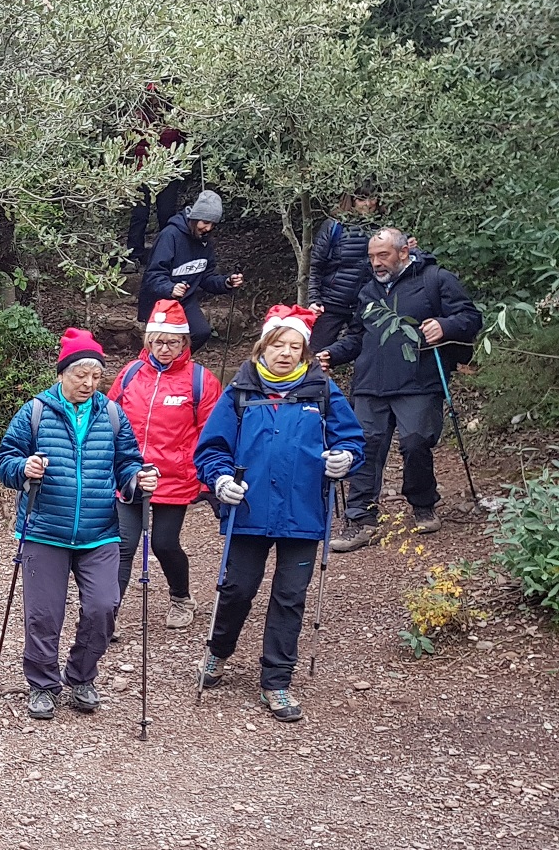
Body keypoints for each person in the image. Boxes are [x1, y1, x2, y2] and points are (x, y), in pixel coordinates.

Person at [193, 306, 365, 722]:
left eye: (294, 346)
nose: (285, 353)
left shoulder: (322, 391)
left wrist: (344, 458)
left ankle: (276, 681)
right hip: (249, 510)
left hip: (303, 513)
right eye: (278, 345)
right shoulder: (240, 391)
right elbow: (211, 449)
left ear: (304, 352)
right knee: (237, 589)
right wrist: (220, 479)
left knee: (290, 597)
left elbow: (351, 440)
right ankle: (219, 651)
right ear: (263, 348)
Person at [0, 328, 157, 720]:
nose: (88, 382)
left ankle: (81, 676)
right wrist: (24, 467)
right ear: (62, 373)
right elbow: (5, 461)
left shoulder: (112, 414)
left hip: (99, 531)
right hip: (44, 529)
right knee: (43, 614)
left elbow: (127, 463)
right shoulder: (34, 412)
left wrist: (138, 479)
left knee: (104, 607)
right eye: (80, 374)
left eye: (96, 375)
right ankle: (43, 684)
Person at [320, 227, 482, 550]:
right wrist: (332, 354)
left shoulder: (435, 279)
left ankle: (423, 504)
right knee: (364, 448)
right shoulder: (368, 290)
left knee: (416, 444)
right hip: (370, 383)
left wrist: (445, 325)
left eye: (383, 255)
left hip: (418, 381)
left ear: (403, 252)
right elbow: (357, 336)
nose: (376, 263)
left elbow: (470, 318)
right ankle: (360, 520)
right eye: (372, 257)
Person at [109, 299, 220, 630]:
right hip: (130, 474)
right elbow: (109, 417)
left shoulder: (200, 380)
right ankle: (106, 614)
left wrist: (208, 480)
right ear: (148, 340)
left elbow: (212, 433)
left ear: (185, 342)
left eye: (172, 342)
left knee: (164, 543)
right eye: (157, 341)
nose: (164, 348)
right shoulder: (131, 373)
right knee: (123, 544)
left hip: (174, 477)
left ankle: (181, 598)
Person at [138, 189, 245, 351]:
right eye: (205, 222)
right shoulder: (170, 235)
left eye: (213, 224)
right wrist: (170, 288)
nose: (208, 228)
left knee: (201, 332)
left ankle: (177, 363)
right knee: (163, 341)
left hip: (186, 300)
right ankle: (160, 363)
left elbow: (206, 277)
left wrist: (226, 282)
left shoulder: (205, 242)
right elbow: (153, 275)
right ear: (194, 218)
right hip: (160, 301)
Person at [124, 83, 193, 267]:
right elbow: (130, 141)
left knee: (166, 214)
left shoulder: (174, 116)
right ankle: (133, 255)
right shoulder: (137, 115)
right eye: (150, 95)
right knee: (139, 214)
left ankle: (168, 253)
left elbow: (186, 136)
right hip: (142, 171)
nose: (153, 99)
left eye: (156, 95)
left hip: (167, 170)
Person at [304, 192, 380, 356]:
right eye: (361, 199)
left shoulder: (385, 228)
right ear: (352, 200)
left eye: (372, 198)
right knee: (314, 355)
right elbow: (316, 265)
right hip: (331, 303)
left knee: (367, 356)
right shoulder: (335, 226)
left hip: (366, 305)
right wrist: (314, 299)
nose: (368, 204)